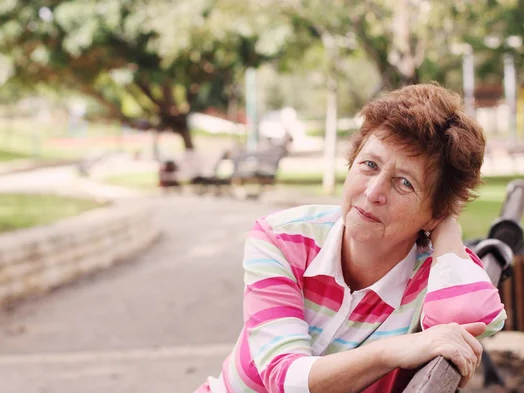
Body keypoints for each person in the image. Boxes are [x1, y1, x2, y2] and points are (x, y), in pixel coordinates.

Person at [194, 83, 507, 393]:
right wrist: (393, 350)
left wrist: (446, 225)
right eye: (369, 165)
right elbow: (284, 378)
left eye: (403, 183)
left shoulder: (434, 276)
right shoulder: (283, 238)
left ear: (433, 213)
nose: (373, 193)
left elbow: (479, 318)